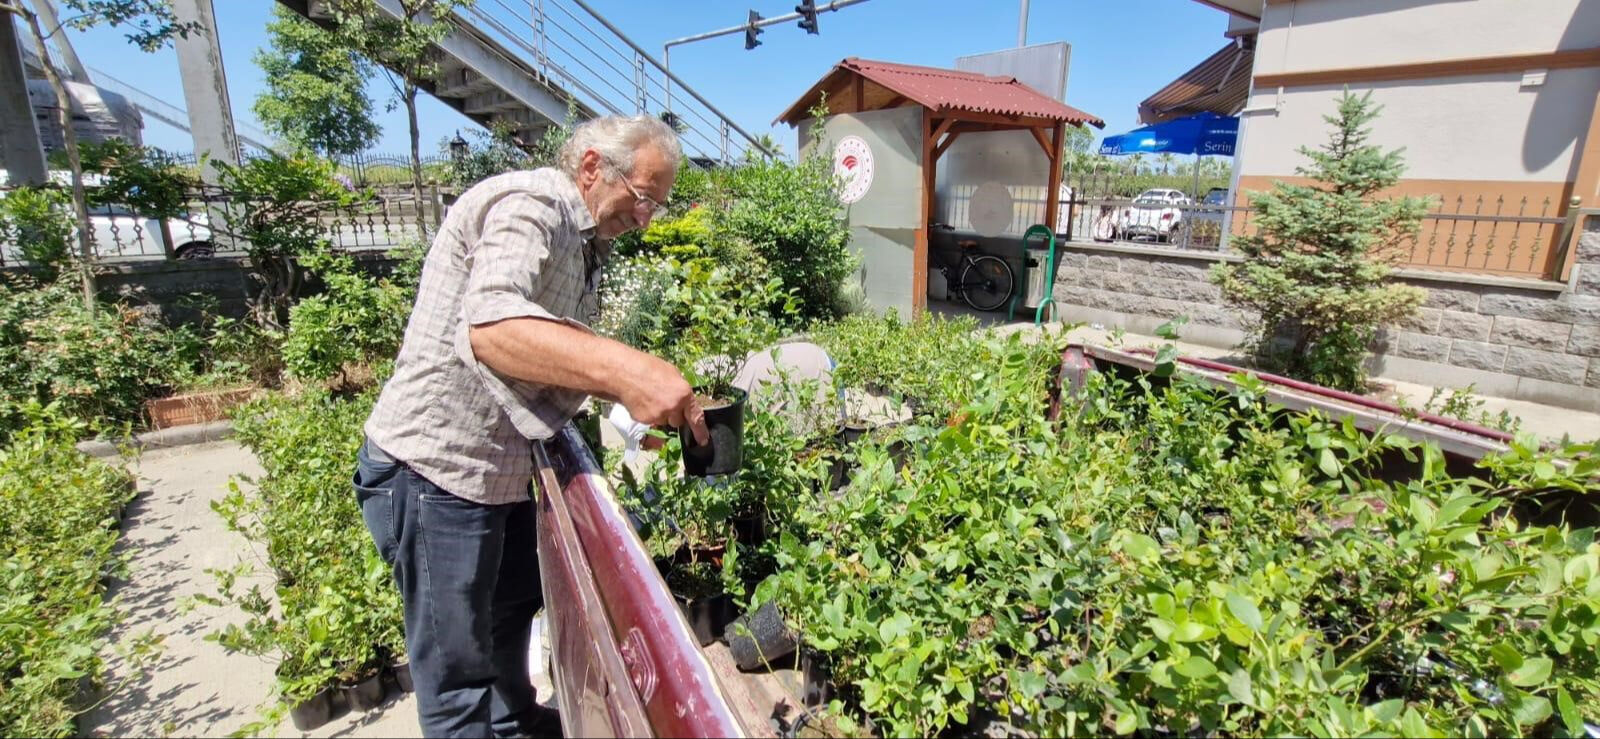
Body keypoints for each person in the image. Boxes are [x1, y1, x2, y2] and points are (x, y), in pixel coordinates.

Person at [351, 115, 708, 739]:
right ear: (594, 166)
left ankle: (516, 721)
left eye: (659, 204)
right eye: (644, 196)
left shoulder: (585, 238)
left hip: (499, 475)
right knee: (458, 683)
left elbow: (551, 357)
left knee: (508, 617)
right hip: (437, 474)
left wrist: (624, 406)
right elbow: (493, 328)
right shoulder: (531, 205)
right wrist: (628, 370)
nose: (647, 217)